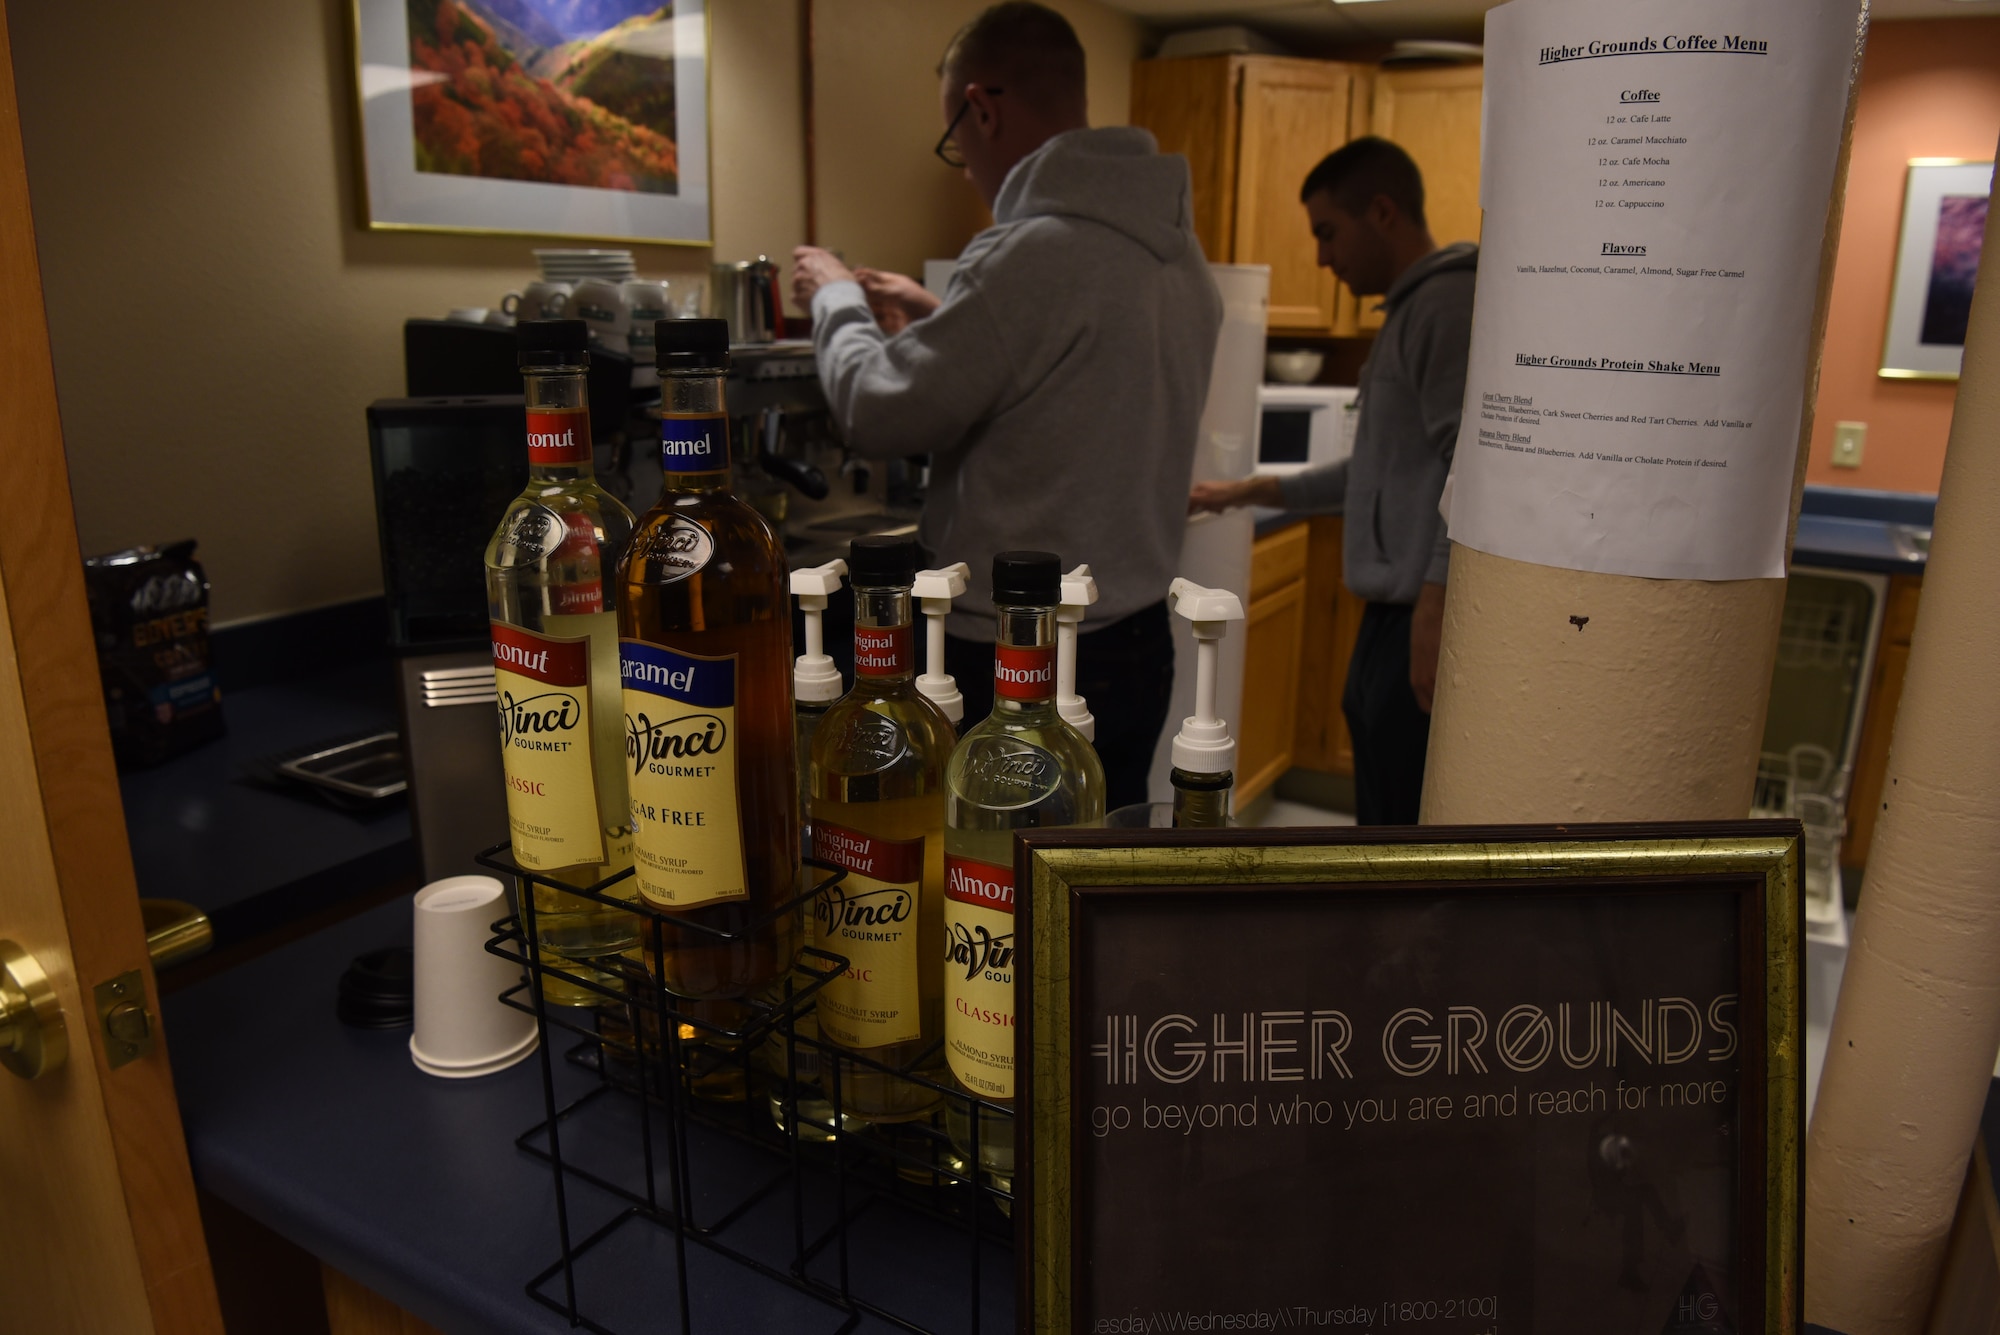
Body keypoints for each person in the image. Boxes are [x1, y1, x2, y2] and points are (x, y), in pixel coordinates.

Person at [792, 2, 1222, 809]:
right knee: (1088, 871)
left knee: (988, 886)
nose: (964, 165)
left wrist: (837, 300)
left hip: (1016, 654)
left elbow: (876, 411)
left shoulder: (1033, 254)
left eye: (957, 138)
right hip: (1133, 640)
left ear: (982, 107)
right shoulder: (1176, 249)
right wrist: (939, 311)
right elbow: (1074, 378)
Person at [1189, 137, 1475, 825]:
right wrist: (1243, 492)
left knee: (1401, 825)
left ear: (1381, 213)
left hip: (1417, 614)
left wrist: (1436, 605)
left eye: (1326, 233)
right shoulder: (1412, 308)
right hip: (1392, 614)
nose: (1319, 258)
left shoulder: (1444, 307)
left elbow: (1475, 465)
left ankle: (1401, 936)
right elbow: (1377, 470)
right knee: (1380, 810)